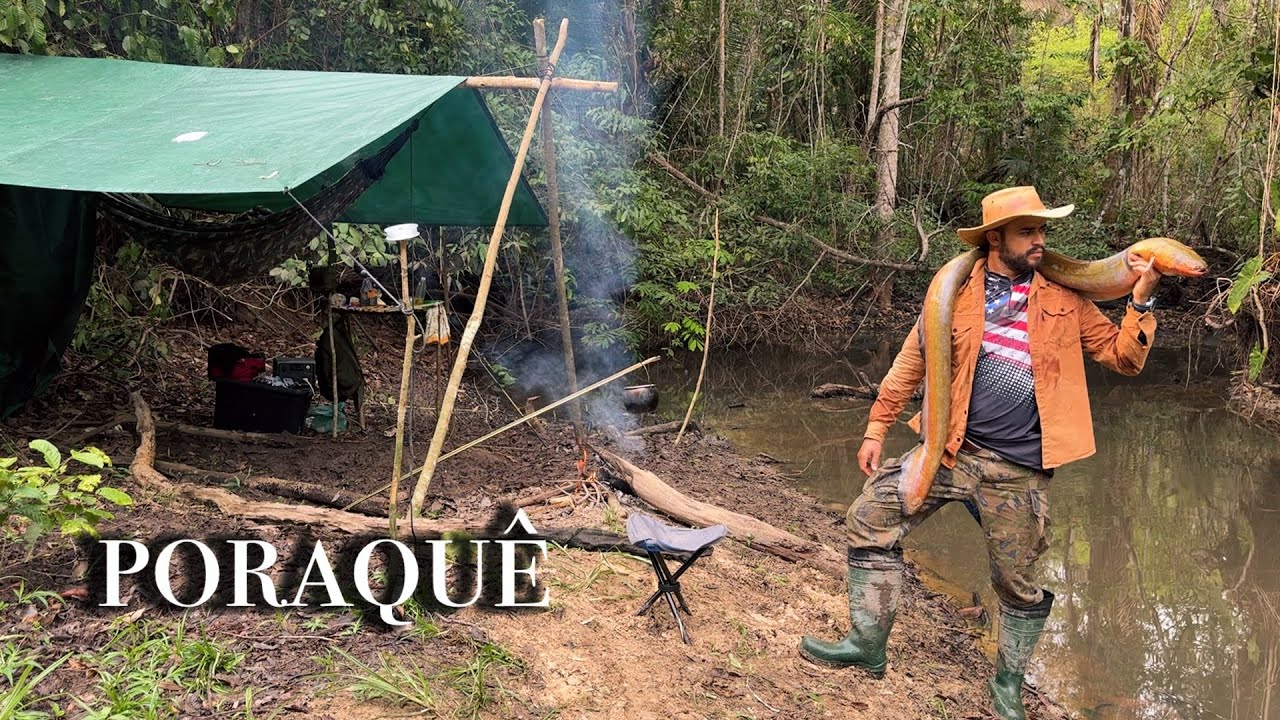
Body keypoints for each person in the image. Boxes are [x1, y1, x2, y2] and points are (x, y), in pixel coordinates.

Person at [797, 186, 1163, 720]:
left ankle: (1008, 686)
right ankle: (867, 644)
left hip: (1019, 471)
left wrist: (1142, 298)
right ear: (996, 238)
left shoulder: (1066, 300)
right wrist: (877, 427)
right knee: (869, 517)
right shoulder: (953, 293)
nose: (1040, 241)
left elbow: (1123, 358)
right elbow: (911, 361)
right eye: (1027, 232)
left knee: (1016, 581)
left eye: (1042, 231)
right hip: (950, 451)